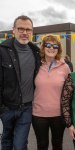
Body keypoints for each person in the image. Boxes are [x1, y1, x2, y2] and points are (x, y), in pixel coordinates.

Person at [0, 15, 41, 150]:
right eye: (21, 29)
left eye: (28, 29)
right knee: (6, 141)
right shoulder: (2, 50)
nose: (24, 33)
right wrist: (2, 109)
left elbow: (52, 60)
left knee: (19, 144)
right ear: (13, 30)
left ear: (32, 32)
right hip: (7, 108)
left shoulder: (36, 52)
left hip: (26, 108)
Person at [32, 35, 70, 150]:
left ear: (58, 49)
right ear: (43, 47)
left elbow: (70, 91)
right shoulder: (36, 65)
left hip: (58, 115)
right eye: (48, 45)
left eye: (55, 46)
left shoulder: (65, 67)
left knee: (57, 145)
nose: (51, 48)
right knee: (42, 145)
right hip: (38, 114)